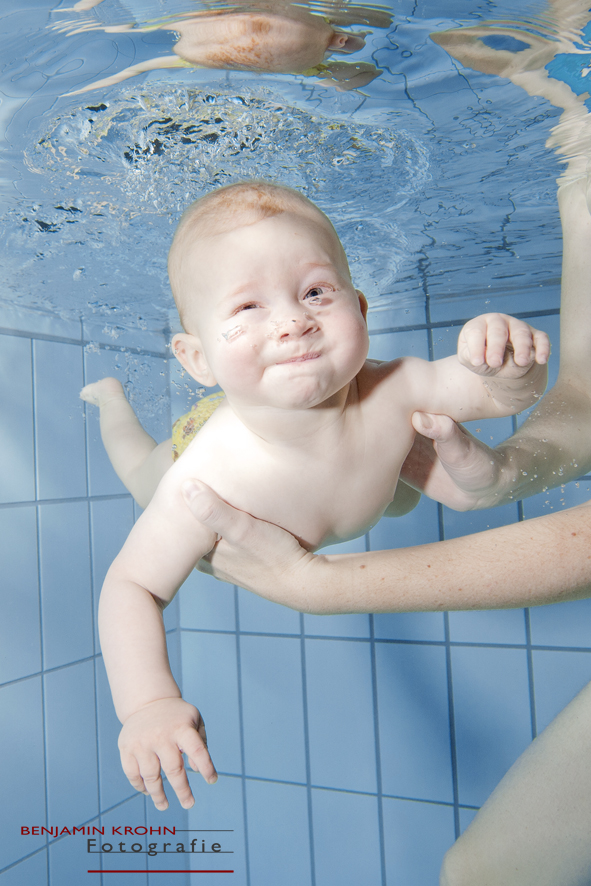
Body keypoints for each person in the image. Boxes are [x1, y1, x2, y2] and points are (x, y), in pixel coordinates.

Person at [80, 180, 549, 813]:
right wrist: (149, 702)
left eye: (315, 293)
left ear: (359, 308)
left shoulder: (399, 386)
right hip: (194, 451)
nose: (293, 320)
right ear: (198, 359)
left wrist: (514, 367)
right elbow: (130, 586)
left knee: (409, 484)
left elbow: (498, 397)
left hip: (347, 494)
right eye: (247, 308)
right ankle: (111, 400)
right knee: (140, 470)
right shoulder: (212, 473)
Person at [59, 0, 385, 94]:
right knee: (345, 73)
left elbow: (135, 69)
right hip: (308, 57)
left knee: (342, 74)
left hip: (308, 59)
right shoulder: (191, 46)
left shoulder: (191, 53)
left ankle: (344, 67)